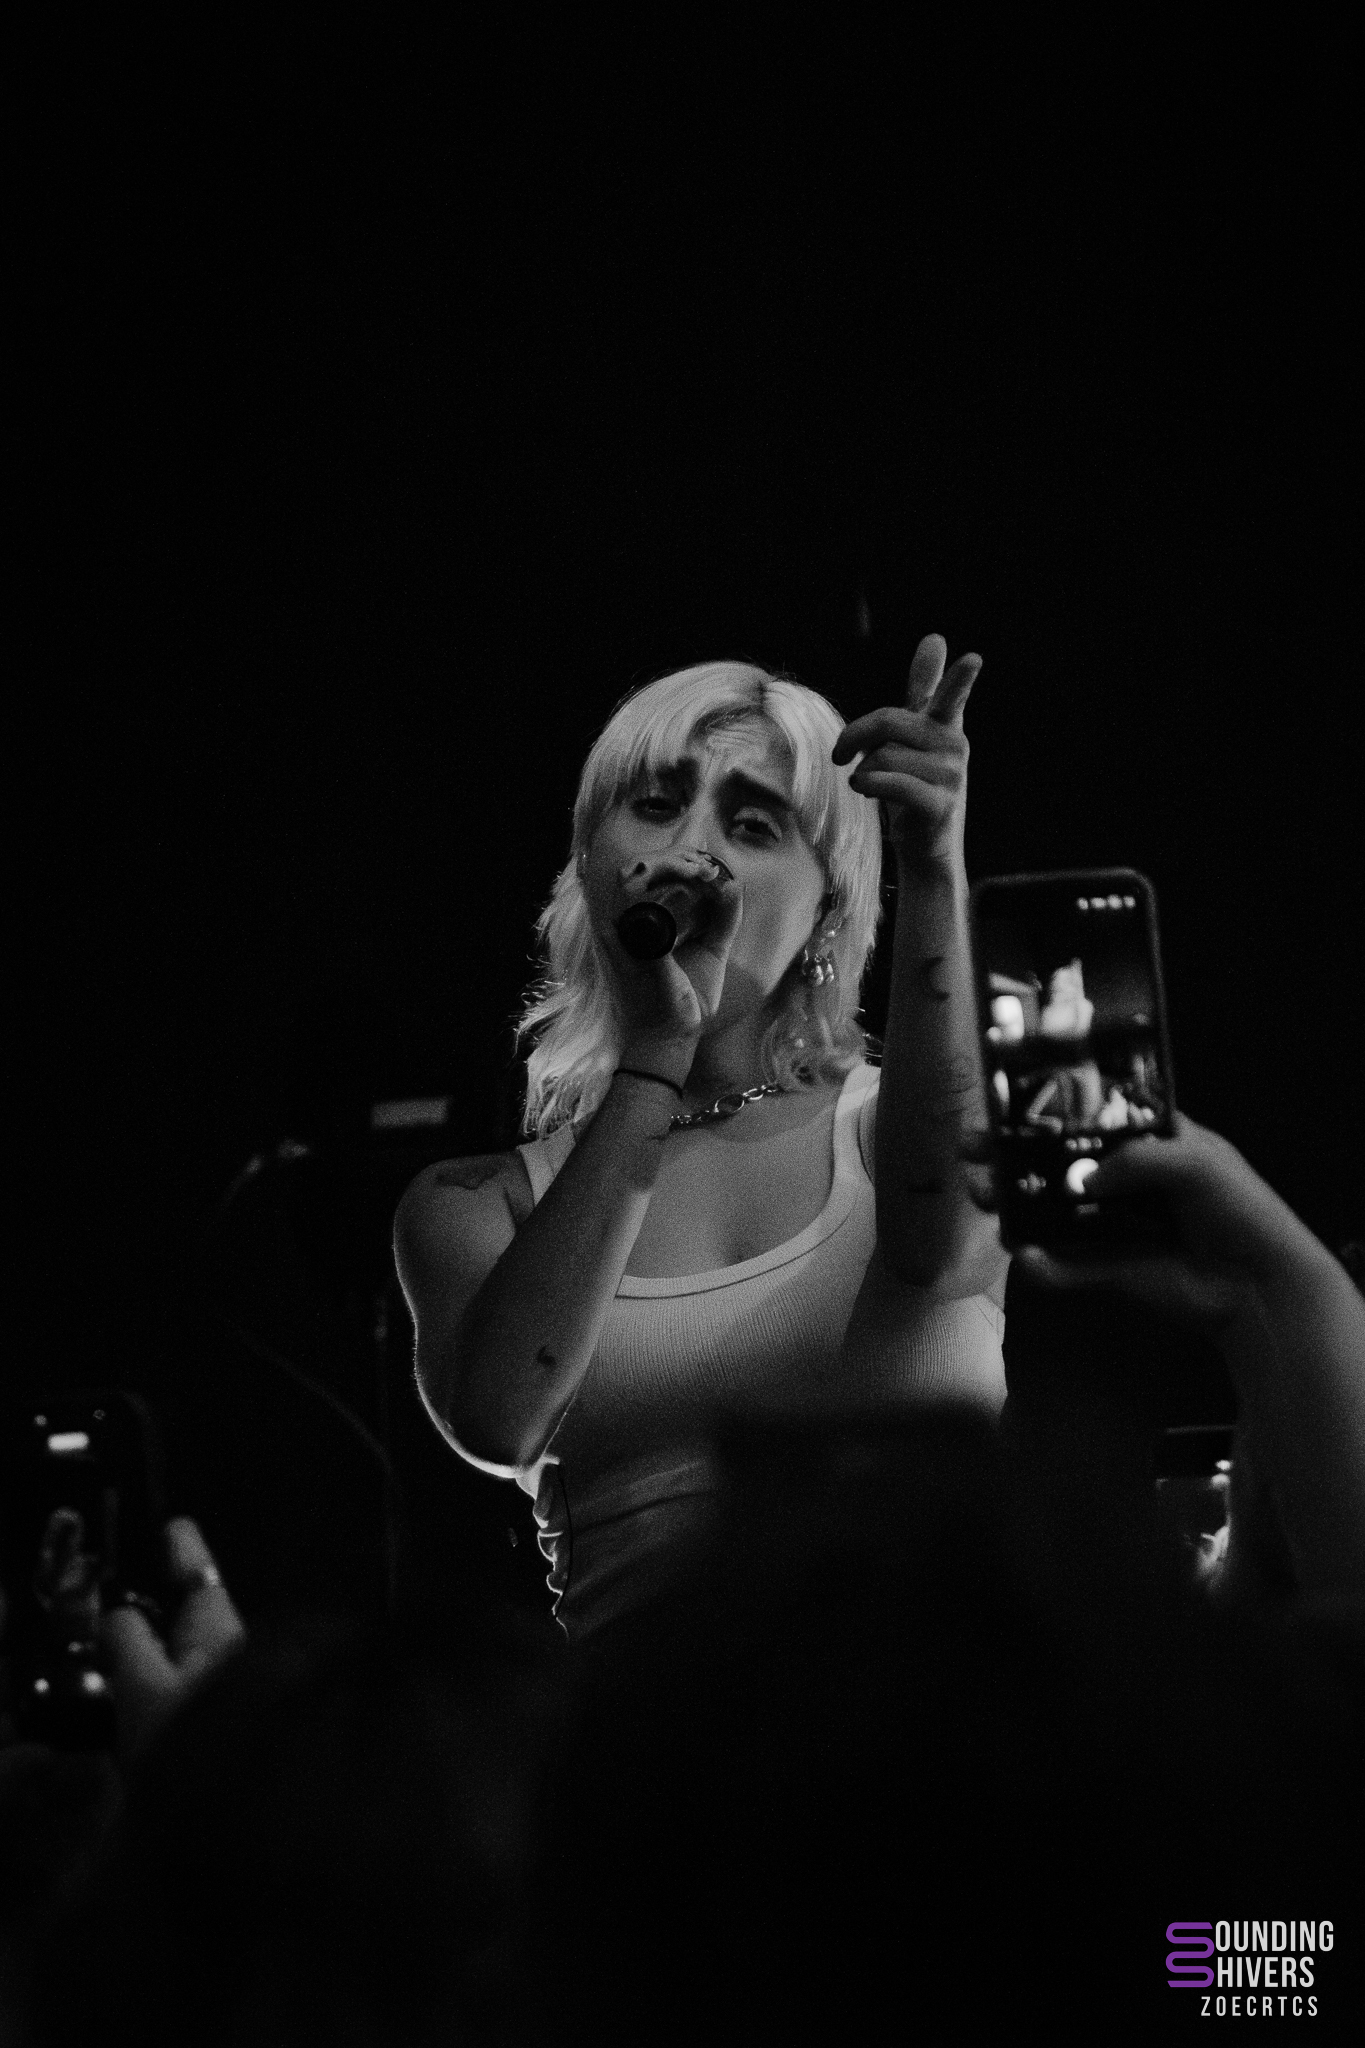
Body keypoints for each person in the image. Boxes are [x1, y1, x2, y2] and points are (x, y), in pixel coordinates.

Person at [395, 635, 1010, 1636]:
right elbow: (502, 1419)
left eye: (753, 823)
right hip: (647, 1734)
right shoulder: (478, 1203)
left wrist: (934, 863)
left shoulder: (901, 1128)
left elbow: (943, 1248)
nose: (692, 851)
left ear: (827, 908)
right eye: (655, 804)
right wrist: (656, 1055)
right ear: (588, 860)